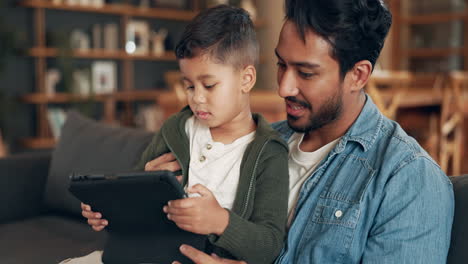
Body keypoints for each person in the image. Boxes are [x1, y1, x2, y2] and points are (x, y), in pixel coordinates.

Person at [169, 0, 455, 263]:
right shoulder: (253, 142)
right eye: (282, 64)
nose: (284, 88)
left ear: (358, 75)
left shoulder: (408, 179)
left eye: (306, 73)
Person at [77, 5, 290, 264]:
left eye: (209, 85)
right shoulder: (176, 129)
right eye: (188, 86)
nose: (197, 98)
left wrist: (221, 221)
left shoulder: (268, 153)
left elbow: (269, 245)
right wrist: (109, 207)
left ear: (246, 79)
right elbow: (134, 187)